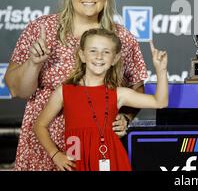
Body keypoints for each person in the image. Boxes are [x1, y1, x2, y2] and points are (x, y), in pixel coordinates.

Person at [4, 0, 149, 170]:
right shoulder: (41, 28)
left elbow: (137, 87)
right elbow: (17, 89)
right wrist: (34, 64)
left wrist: (125, 117)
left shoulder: (121, 38)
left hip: (93, 147)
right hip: (43, 145)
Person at [34, 29, 168, 171]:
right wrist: (55, 155)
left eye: (106, 52)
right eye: (93, 51)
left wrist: (161, 70)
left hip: (113, 160)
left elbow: (160, 102)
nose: (99, 56)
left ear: (114, 59)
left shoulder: (118, 94)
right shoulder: (64, 92)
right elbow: (39, 125)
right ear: (82, 55)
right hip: (77, 161)